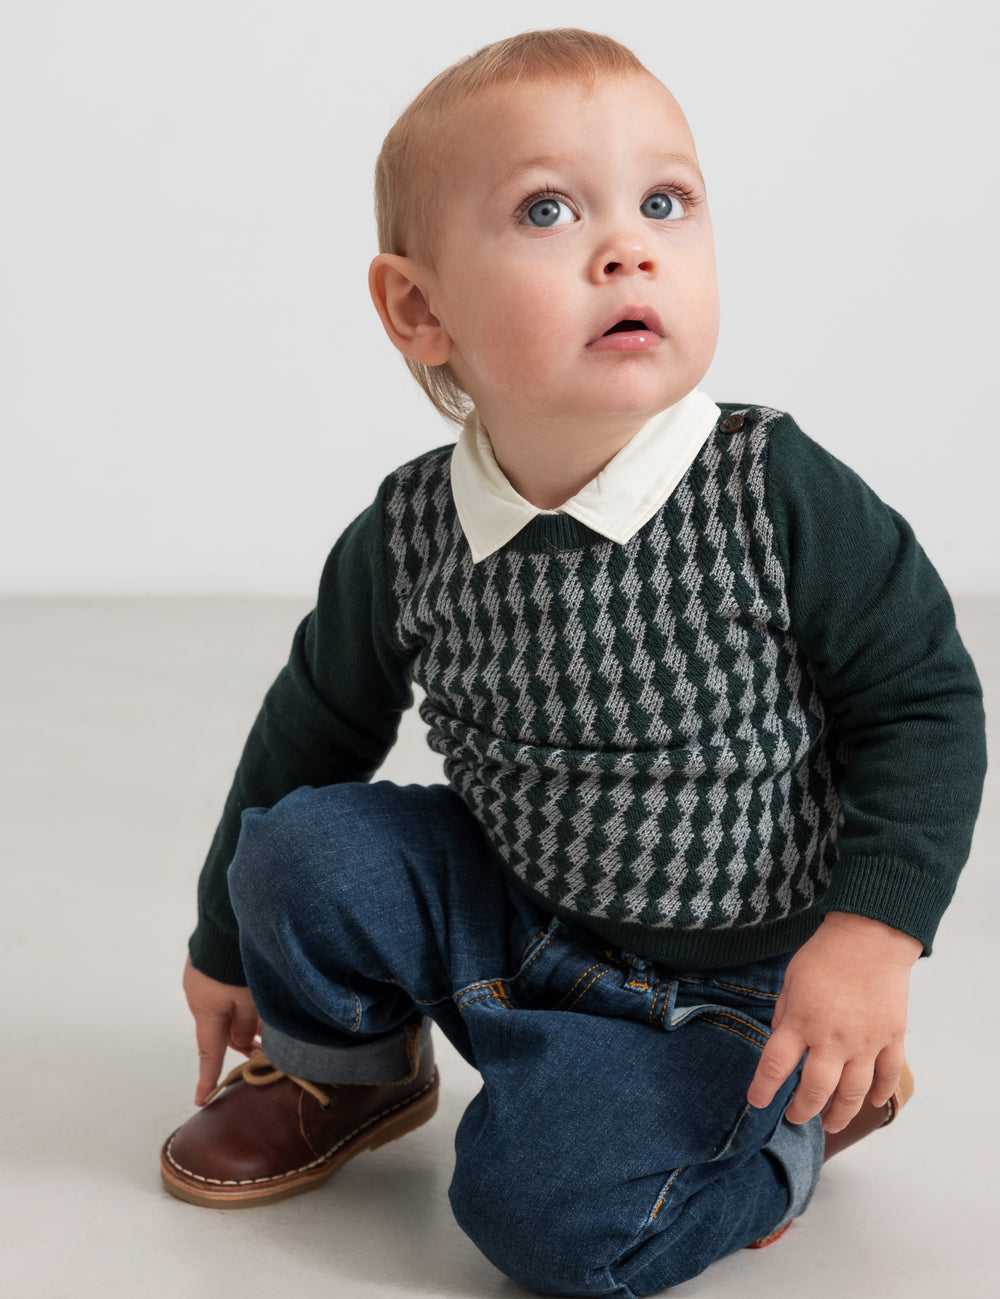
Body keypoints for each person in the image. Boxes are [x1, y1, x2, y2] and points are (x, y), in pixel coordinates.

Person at [159, 27, 987, 1297]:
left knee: (547, 1223)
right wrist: (227, 940)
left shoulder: (772, 491)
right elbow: (312, 728)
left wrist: (869, 942)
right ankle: (352, 1079)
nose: (627, 245)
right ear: (418, 309)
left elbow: (922, 701)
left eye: (666, 201)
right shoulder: (409, 532)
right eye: (548, 209)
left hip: (742, 976)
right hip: (519, 914)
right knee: (299, 843)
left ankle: (780, 1126)